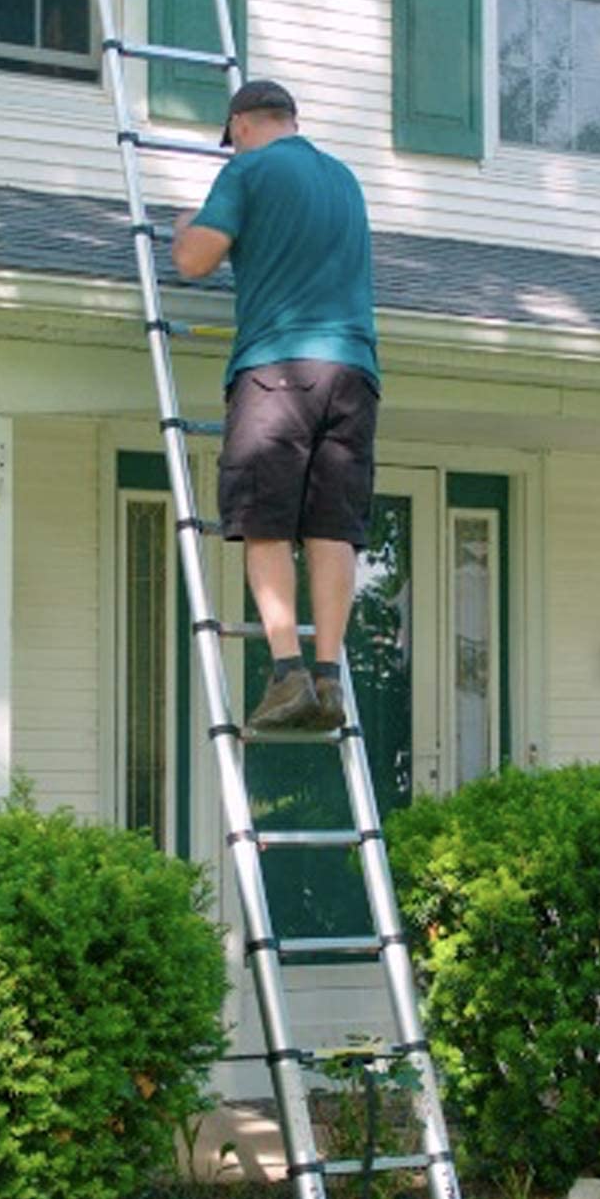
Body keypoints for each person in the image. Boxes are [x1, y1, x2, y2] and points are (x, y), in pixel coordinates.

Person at [171, 80, 379, 732]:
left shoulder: (248, 169)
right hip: (353, 373)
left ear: (239, 127)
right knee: (332, 526)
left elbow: (196, 261)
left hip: (278, 368)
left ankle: (287, 672)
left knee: (264, 521)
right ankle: (328, 676)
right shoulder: (344, 179)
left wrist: (186, 227)